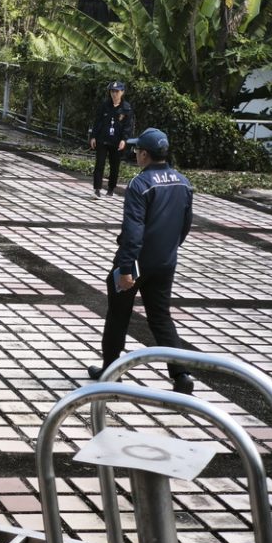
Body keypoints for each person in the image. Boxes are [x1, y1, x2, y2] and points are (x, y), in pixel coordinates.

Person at [87, 127, 196, 394]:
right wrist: (169, 250)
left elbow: (133, 230)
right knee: (161, 317)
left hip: (135, 262)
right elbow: (185, 225)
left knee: (118, 314)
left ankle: (111, 371)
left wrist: (126, 268)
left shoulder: (141, 184)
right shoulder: (183, 182)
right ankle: (181, 375)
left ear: (145, 154)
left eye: (137, 150)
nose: (136, 154)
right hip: (165, 262)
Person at [90, 80, 134, 197]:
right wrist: (93, 136)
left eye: (117, 91)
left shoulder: (126, 108)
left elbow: (128, 126)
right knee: (99, 164)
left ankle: (111, 189)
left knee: (114, 166)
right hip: (102, 139)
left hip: (116, 141)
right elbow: (97, 122)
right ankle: (97, 189)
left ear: (122, 92)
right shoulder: (104, 105)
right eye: (112, 91)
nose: (114, 94)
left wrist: (124, 140)